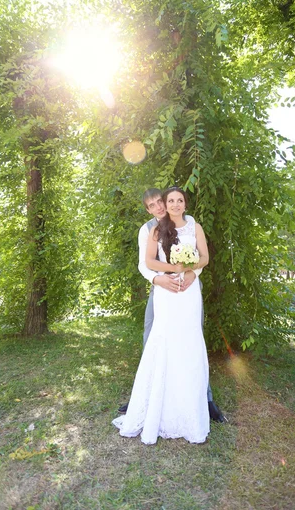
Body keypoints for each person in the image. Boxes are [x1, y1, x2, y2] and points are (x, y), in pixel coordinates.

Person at [112, 187, 212, 444]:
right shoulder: (151, 230)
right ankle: (153, 399)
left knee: (190, 343)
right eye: (157, 204)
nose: (162, 207)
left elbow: (203, 258)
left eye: (168, 201)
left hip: (189, 291)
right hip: (163, 288)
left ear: (183, 204)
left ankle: (198, 405)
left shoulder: (193, 225)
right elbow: (146, 263)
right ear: (151, 208)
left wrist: (190, 271)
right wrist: (164, 276)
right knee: (158, 337)